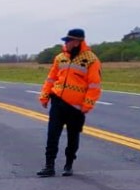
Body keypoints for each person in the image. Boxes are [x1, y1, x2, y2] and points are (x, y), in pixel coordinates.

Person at [37, 28, 101, 177]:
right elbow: (51, 78)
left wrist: (88, 104)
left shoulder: (91, 60)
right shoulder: (60, 58)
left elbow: (94, 85)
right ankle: (49, 166)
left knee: (73, 137)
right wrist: (45, 96)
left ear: (77, 42)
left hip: (76, 107)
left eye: (69, 40)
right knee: (52, 135)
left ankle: (69, 164)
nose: (66, 43)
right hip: (58, 101)